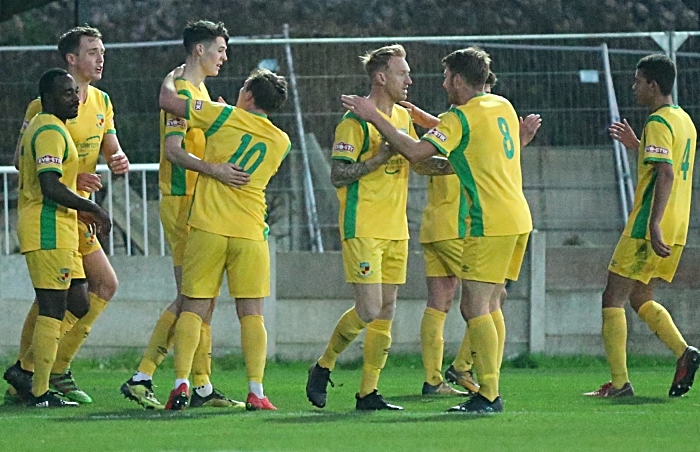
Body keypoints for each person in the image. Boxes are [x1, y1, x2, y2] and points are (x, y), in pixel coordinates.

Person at [341, 47, 533, 413]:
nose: (443, 84)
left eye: (446, 78)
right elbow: (470, 148)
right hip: (518, 218)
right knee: (491, 304)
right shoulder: (502, 106)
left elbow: (415, 153)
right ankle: (485, 387)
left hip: (487, 222)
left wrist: (374, 117)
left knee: (474, 307)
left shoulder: (458, 118)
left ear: (458, 80)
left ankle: (488, 393)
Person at [121, 20, 248, 410]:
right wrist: (216, 170)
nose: (224, 57)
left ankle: (203, 387)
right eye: (219, 49)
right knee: (191, 297)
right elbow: (174, 150)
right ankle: (142, 376)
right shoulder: (180, 91)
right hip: (181, 200)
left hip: (198, 203)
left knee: (202, 299)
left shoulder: (196, 89)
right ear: (198, 50)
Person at [4, 25, 128, 405]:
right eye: (92, 51)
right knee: (54, 298)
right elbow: (23, 162)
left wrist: (118, 159)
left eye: (102, 51)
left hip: (75, 214)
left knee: (99, 287)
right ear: (71, 59)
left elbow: (111, 149)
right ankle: (36, 374)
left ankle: (48, 368)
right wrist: (76, 183)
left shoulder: (102, 102)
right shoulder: (45, 108)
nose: (100, 57)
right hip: (55, 211)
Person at [401, 71, 541, 397]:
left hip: (434, 224)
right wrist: (519, 141)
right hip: (458, 226)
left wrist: (423, 120)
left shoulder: (454, 125)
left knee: (440, 302)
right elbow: (481, 149)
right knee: (491, 301)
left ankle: (433, 378)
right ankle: (467, 369)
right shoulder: (470, 123)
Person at [158, 66, 290, 411]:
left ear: (247, 95)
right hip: (249, 233)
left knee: (194, 308)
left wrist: (172, 76)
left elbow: (168, 101)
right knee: (252, 315)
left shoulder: (222, 115)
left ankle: (181, 383)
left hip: (208, 228)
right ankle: (256, 390)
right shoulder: (281, 141)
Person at [305, 44, 417, 411]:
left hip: (396, 227)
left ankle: (368, 392)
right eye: (402, 73)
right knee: (368, 309)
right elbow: (338, 174)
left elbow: (417, 159)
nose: (409, 79)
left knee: (386, 310)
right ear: (381, 77)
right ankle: (323, 365)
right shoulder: (353, 122)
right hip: (363, 225)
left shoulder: (402, 118)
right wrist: (379, 157)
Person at [586, 54, 699, 398]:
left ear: (653, 84)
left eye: (637, 81)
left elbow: (664, 173)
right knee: (640, 296)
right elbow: (666, 164)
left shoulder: (659, 122)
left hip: (649, 227)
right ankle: (684, 352)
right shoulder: (684, 121)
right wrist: (636, 146)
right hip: (678, 225)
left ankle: (619, 384)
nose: (633, 87)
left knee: (612, 298)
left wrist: (652, 225)